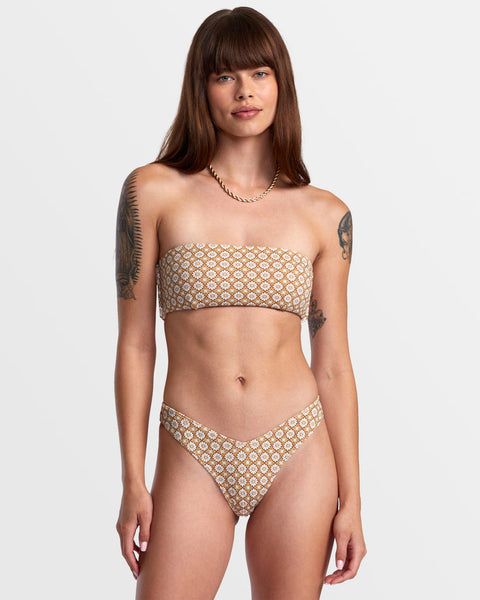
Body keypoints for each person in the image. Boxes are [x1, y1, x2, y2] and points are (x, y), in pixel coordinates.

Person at [114, 6, 367, 599]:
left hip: (299, 446)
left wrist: (352, 499)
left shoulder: (326, 215)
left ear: (281, 83)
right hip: (193, 444)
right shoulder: (153, 192)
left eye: (259, 73)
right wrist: (132, 479)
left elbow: (333, 363)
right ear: (201, 88)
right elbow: (135, 345)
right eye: (225, 75)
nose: (245, 91)